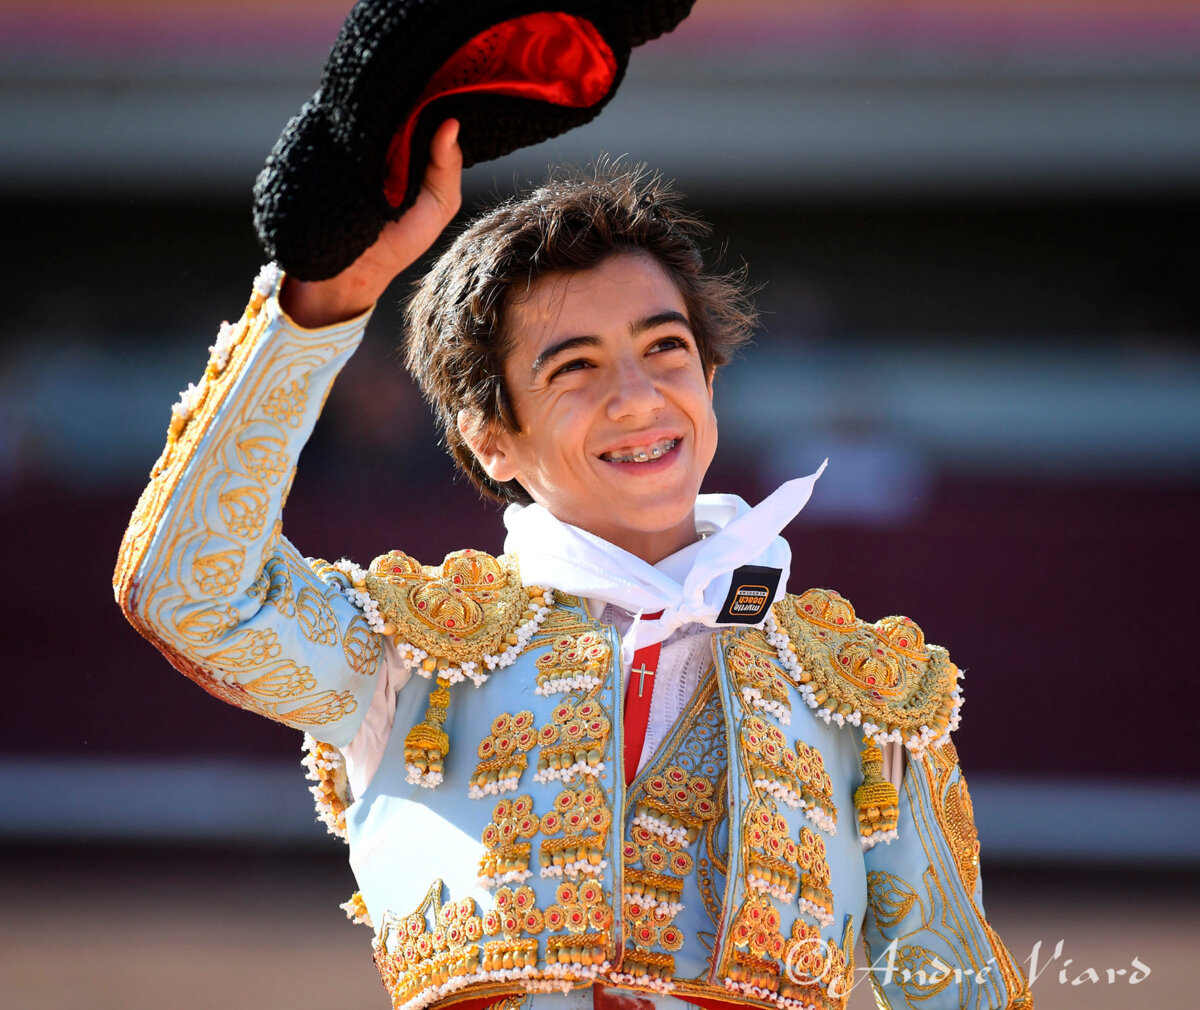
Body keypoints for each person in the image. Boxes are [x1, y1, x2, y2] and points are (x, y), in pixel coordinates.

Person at [114, 118, 1031, 1010]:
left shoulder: (861, 694)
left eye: (665, 349)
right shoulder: (411, 655)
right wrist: (319, 307)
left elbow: (956, 993)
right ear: (491, 441)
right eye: (574, 368)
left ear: (709, 380)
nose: (638, 398)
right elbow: (190, 590)